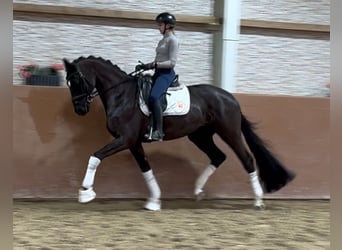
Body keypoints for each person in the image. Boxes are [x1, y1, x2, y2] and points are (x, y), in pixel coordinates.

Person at [135, 12, 179, 141]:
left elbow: (171, 63)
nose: (158, 27)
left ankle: (159, 131)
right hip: (158, 73)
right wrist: (145, 66)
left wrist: (154, 65)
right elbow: (158, 61)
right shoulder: (163, 40)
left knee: (154, 97)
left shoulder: (173, 41)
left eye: (160, 25)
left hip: (166, 75)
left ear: (168, 26)